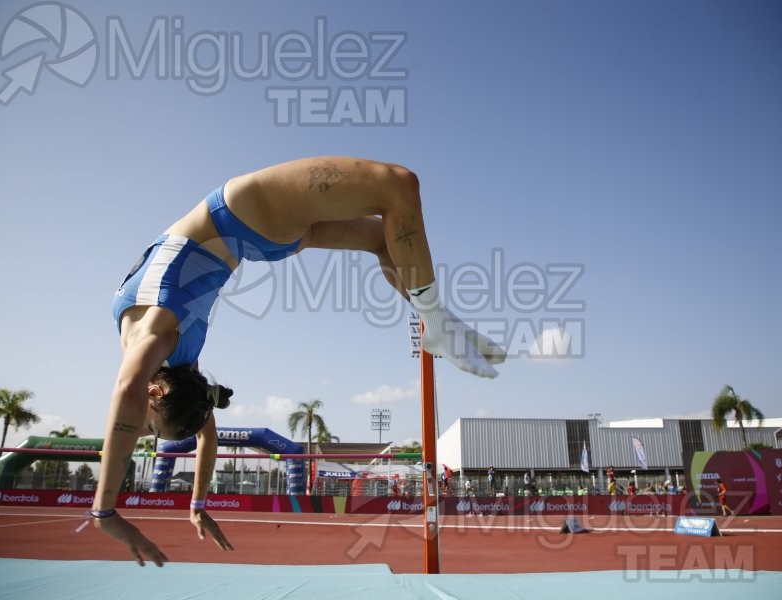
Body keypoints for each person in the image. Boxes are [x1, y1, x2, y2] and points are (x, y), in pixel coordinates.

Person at [92, 157, 507, 566]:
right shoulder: (168, 350)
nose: (142, 431)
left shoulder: (160, 344)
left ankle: (436, 323)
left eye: (147, 427)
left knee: (384, 237)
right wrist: (191, 502)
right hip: (247, 217)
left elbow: (137, 396)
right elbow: (205, 436)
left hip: (253, 230)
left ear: (154, 389)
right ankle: (437, 322)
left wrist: (106, 509)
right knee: (398, 184)